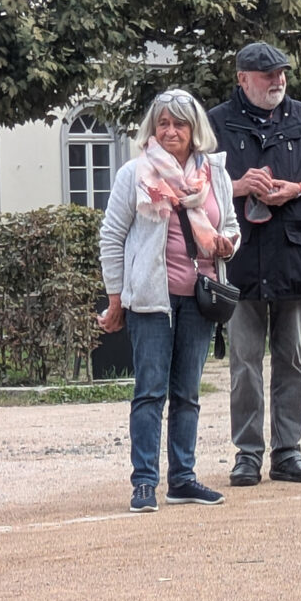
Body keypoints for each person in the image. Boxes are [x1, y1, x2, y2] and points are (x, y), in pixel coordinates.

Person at [208, 41, 301, 487]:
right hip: (240, 257)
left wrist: (297, 189)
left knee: (291, 360)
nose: (278, 80)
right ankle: (247, 455)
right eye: (267, 74)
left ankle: (288, 452)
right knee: (244, 365)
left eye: (281, 72)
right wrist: (237, 185)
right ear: (242, 78)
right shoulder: (216, 123)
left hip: (292, 254)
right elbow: (195, 185)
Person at [99, 88, 240, 513]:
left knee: (187, 394)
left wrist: (227, 244)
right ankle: (144, 483)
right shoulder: (135, 174)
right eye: (163, 123)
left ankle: (182, 479)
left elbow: (231, 226)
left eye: (179, 123)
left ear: (194, 129)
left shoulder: (214, 173)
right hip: (150, 301)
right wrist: (115, 298)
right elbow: (112, 237)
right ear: (153, 128)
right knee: (149, 393)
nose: (170, 131)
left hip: (199, 297)